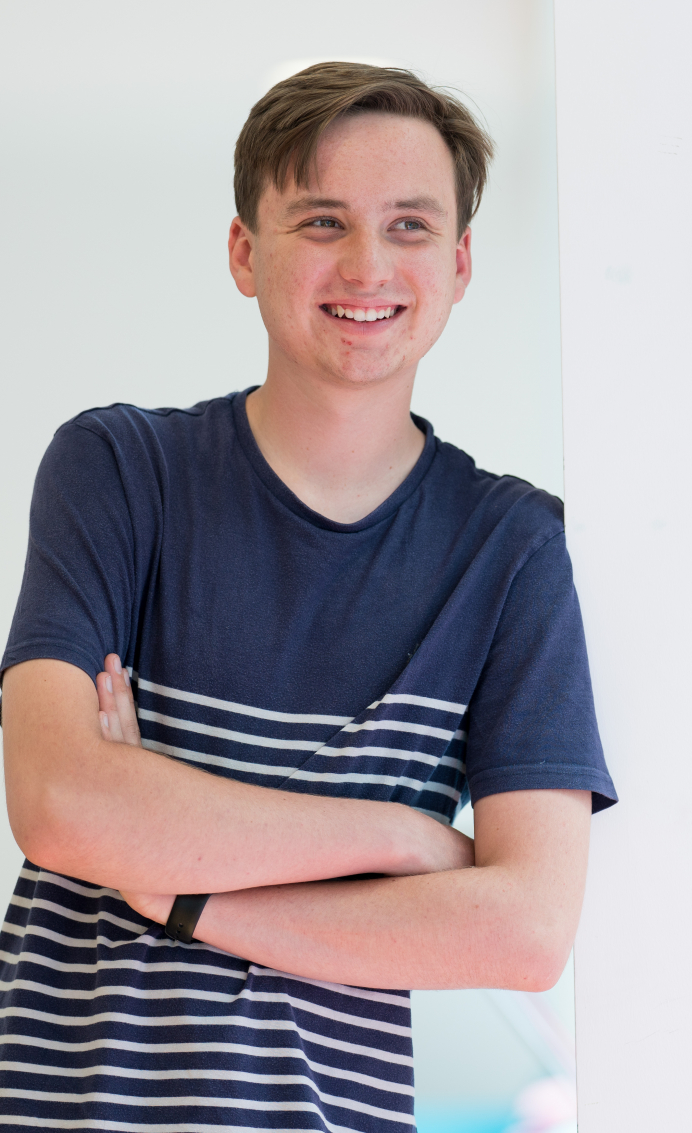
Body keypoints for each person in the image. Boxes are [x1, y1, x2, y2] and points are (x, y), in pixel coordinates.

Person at [0, 61, 616, 1131]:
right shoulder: (120, 471)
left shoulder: (511, 550)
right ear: (246, 252)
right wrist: (397, 836)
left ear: (461, 263)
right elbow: (60, 805)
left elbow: (523, 929)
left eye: (410, 225)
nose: (367, 263)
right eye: (322, 220)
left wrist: (183, 890)